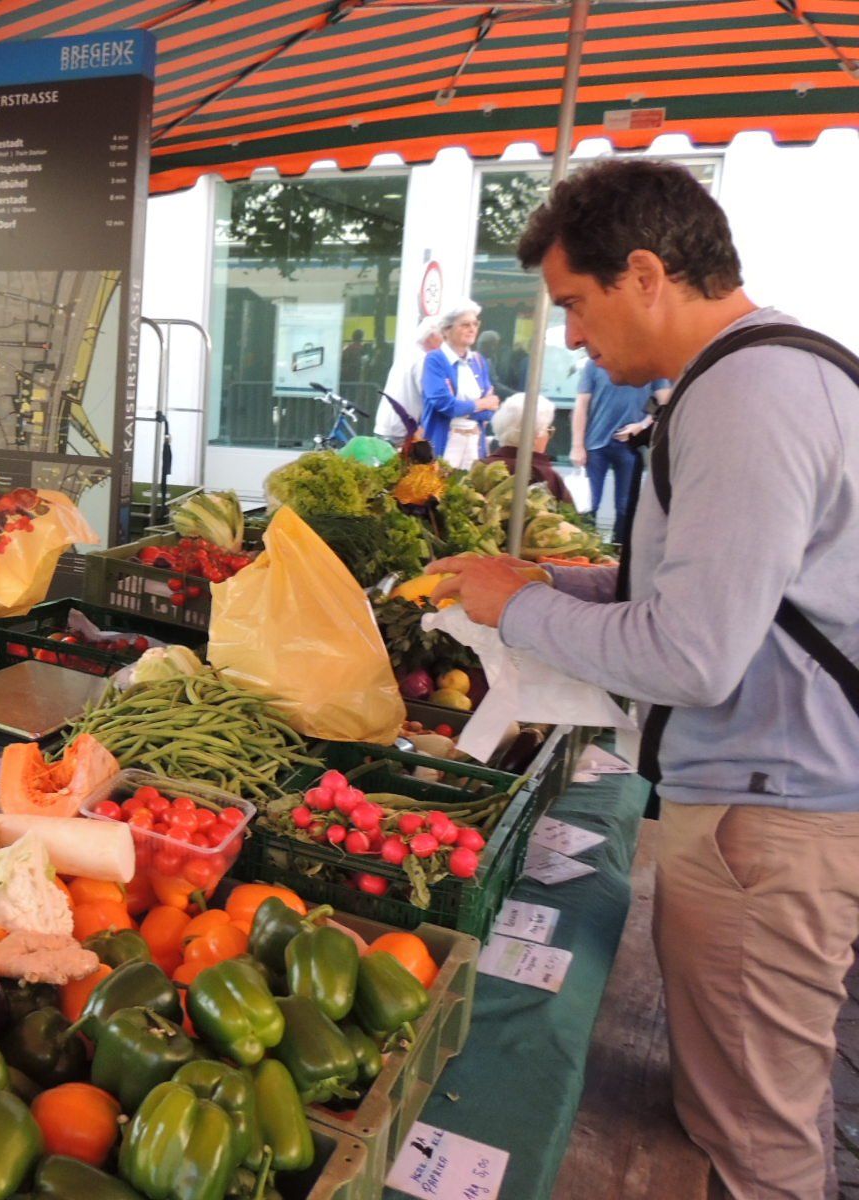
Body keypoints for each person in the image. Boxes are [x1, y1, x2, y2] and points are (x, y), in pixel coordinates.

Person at [429, 159, 859, 1200]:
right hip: (783, 797)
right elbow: (711, 592)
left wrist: (519, 613)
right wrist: (546, 581)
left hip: (773, 815)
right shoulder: (775, 371)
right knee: (753, 1105)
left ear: (647, 274)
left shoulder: (748, 395)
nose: (573, 337)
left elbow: (692, 655)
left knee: (753, 1141)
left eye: (576, 303)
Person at [572, 358, 670, 546]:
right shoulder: (595, 364)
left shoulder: (650, 363)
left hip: (630, 445)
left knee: (625, 507)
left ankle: (618, 553)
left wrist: (642, 425)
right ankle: (583, 550)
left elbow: (666, 402)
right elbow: (581, 404)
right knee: (588, 504)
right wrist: (577, 445)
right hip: (596, 444)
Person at [421, 299, 500, 466]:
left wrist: (463, 409)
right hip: (445, 444)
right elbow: (444, 405)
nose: (472, 329)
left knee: (472, 481)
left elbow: (490, 411)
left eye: (475, 324)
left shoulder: (479, 361)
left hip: (475, 443)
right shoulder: (435, 359)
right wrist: (481, 403)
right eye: (465, 325)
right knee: (442, 481)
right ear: (446, 330)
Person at [481, 392, 572, 505]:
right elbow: (567, 512)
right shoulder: (543, 475)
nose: (549, 437)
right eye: (549, 431)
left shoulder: (482, 467)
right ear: (536, 435)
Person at [374, 316, 443, 440]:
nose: (445, 341)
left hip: (388, 425)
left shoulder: (408, 354)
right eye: (443, 335)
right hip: (401, 430)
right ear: (431, 337)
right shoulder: (423, 360)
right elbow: (432, 396)